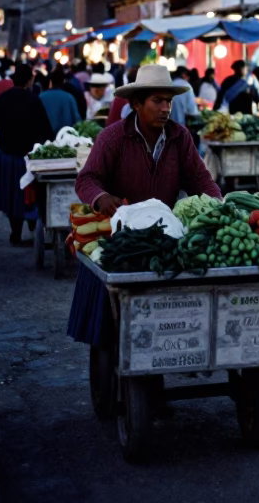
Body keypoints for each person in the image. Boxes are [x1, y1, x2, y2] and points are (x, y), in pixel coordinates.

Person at [68, 64, 222, 346]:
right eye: (157, 101)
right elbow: (86, 179)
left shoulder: (180, 137)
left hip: (164, 238)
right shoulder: (112, 137)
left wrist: (217, 203)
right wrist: (100, 197)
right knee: (108, 322)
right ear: (136, 104)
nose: (165, 108)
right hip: (121, 238)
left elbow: (199, 178)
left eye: (169, 101)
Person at [0, 63, 54, 245]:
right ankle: (32, 226)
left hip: (6, 154)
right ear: (30, 80)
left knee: (10, 194)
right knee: (29, 194)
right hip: (29, 157)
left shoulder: (3, 99)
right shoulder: (34, 100)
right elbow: (46, 130)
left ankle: (16, 233)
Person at [40, 67, 82, 135]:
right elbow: (77, 121)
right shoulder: (69, 97)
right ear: (63, 82)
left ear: (50, 82)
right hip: (65, 138)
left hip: (44, 138)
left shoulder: (41, 97)